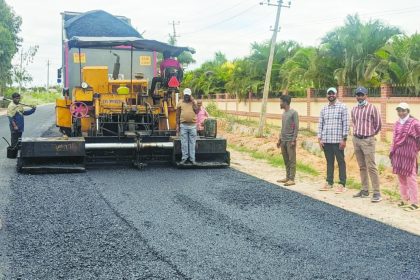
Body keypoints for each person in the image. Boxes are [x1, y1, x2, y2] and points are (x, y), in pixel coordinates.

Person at [351, 86, 382, 202]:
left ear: (366, 95)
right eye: (357, 95)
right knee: (362, 166)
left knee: (371, 166)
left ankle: (377, 193)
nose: (359, 97)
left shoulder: (372, 108)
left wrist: (370, 135)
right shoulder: (354, 109)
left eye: (361, 95)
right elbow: (354, 122)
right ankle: (364, 190)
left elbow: (378, 124)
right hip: (356, 140)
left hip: (368, 140)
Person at [317, 87, 349, 193]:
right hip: (326, 140)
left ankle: (342, 184)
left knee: (341, 162)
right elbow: (320, 124)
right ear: (327, 95)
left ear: (336, 94)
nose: (331, 95)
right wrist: (320, 139)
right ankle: (329, 182)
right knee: (329, 162)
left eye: (333, 93)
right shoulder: (323, 109)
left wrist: (344, 139)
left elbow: (346, 124)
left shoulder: (342, 107)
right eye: (329, 93)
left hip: (338, 141)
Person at [389, 103, 420, 212]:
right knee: (401, 177)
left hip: (409, 155)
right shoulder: (397, 123)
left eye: (403, 110)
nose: (401, 113)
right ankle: (404, 199)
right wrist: (391, 151)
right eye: (399, 111)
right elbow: (394, 138)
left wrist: (415, 149)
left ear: (408, 111)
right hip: (398, 154)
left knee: (411, 178)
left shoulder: (414, 123)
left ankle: (415, 202)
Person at [276, 95, 299, 186]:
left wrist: (293, 139)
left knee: (292, 160)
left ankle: (292, 179)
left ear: (285, 102)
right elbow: (283, 128)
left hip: (290, 141)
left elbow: (296, 127)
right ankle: (287, 177)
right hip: (283, 141)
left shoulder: (294, 113)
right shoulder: (284, 114)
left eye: (281, 102)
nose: (280, 103)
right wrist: (279, 139)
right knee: (286, 160)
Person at [176, 88, 199, 164]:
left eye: (188, 95)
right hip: (183, 126)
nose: (186, 96)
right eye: (185, 95)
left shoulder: (193, 102)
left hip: (192, 126)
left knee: (192, 143)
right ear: (183, 94)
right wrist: (177, 125)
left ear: (190, 95)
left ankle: (192, 159)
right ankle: (184, 158)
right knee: (184, 143)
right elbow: (177, 115)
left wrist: (193, 102)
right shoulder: (180, 102)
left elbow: (197, 111)